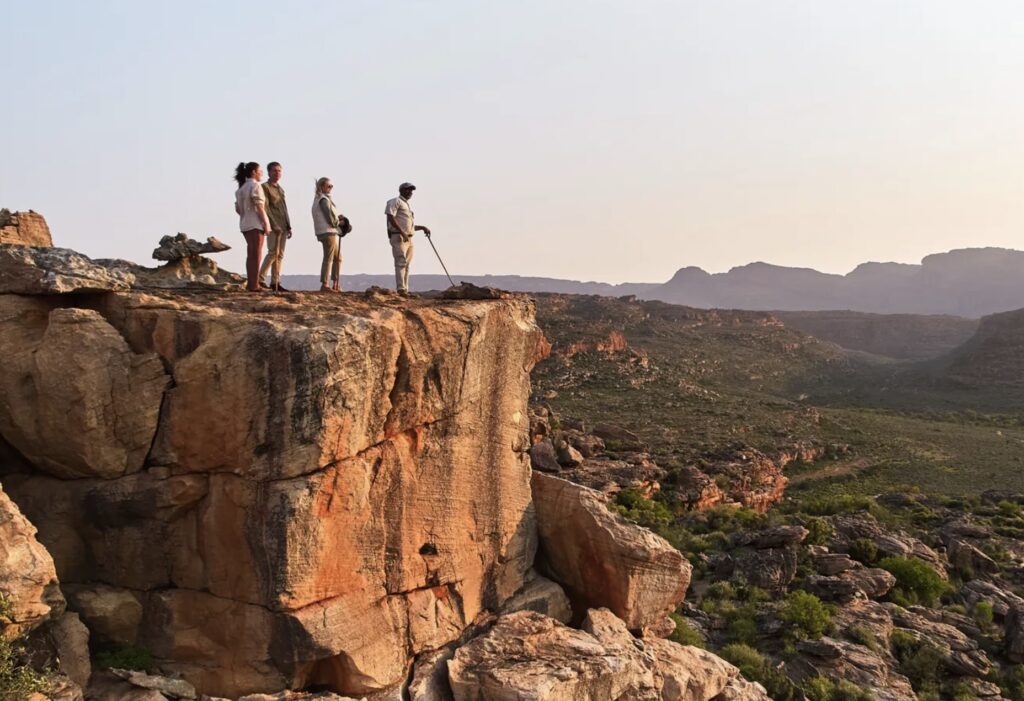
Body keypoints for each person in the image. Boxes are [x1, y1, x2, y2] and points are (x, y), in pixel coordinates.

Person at [385, 182, 430, 296]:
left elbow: (408, 226)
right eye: (407, 190)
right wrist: (402, 233)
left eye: (411, 191)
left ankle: (405, 289)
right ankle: (401, 289)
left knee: (407, 264)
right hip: (399, 236)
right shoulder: (395, 201)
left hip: (409, 237)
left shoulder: (407, 205)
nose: (410, 192)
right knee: (401, 262)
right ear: (401, 190)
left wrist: (422, 228)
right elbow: (390, 217)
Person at [234, 162, 271, 292]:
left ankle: (252, 283)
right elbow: (260, 207)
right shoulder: (255, 186)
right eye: (260, 171)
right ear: (254, 172)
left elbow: (238, 209)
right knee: (256, 254)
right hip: (255, 224)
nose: (261, 173)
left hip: (245, 223)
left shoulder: (241, 189)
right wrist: (266, 224)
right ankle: (254, 285)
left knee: (251, 254)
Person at [258, 161, 292, 291]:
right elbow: (266, 207)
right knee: (272, 252)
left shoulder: (280, 189)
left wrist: (288, 225)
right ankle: (260, 279)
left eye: (279, 171)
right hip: (273, 225)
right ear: (269, 172)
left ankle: (275, 282)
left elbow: (284, 208)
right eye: (274, 171)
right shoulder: (265, 187)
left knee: (280, 254)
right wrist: (273, 224)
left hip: (283, 224)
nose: (277, 173)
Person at [312, 177, 344, 292]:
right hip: (327, 231)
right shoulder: (323, 199)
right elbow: (329, 217)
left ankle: (335, 283)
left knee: (337, 257)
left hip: (328, 231)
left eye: (331, 186)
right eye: (328, 186)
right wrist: (339, 222)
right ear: (321, 187)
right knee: (329, 257)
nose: (330, 188)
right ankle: (325, 284)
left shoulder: (323, 199)